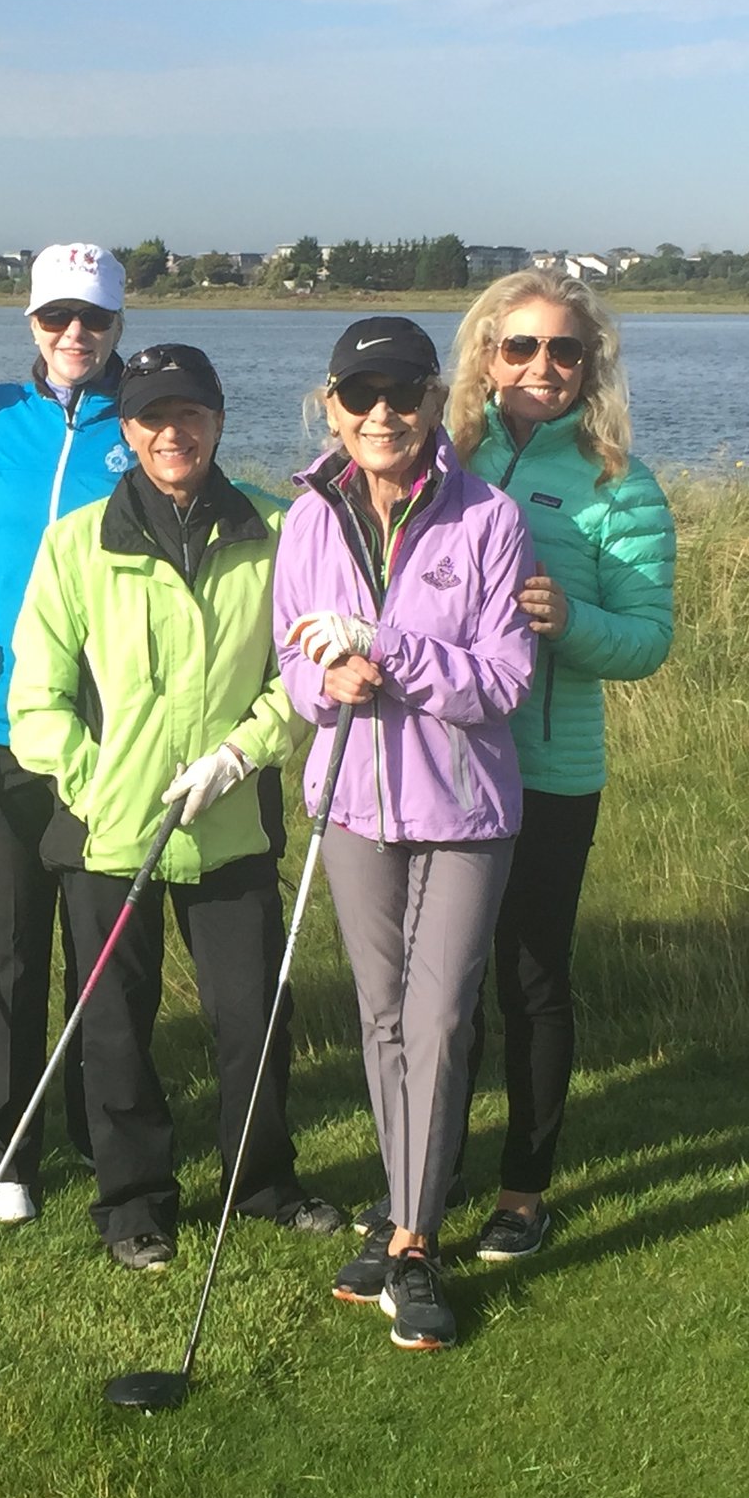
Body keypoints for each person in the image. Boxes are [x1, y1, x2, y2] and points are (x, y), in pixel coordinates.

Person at [10, 342, 346, 1272]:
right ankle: (134, 1201)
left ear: (218, 421)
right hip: (109, 829)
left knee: (253, 1013)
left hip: (231, 820)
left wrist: (243, 753)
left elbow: (300, 678)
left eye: (189, 414)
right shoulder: (78, 541)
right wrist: (93, 783)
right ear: (127, 429)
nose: (172, 432)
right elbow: (36, 701)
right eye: (153, 416)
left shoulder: (277, 531)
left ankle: (262, 1181)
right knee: (115, 1023)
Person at [273, 317, 534, 1349]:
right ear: (332, 405)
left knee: (438, 1019)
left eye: (402, 393)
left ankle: (415, 1243)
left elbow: (502, 681)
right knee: (381, 1017)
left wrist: (387, 649)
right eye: (359, 394)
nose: (381, 413)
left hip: (463, 811)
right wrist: (328, 681)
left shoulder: (488, 518)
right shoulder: (308, 518)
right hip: (351, 805)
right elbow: (292, 664)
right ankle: (401, 1214)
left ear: (432, 400)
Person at [447, 269, 677, 1260]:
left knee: (531, 978)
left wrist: (570, 619)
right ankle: (424, 1178)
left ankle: (522, 1191)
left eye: (565, 349)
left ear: (591, 364)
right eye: (522, 346)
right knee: (440, 984)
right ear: (486, 355)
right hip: (443, 764)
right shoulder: (444, 455)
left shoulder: (620, 483)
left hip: (550, 769)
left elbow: (649, 639)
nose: (543, 366)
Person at [0, 242, 135, 1222]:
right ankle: (4, 1152)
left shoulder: (142, 417)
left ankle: (104, 1134)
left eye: (93, 318)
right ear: (30, 322)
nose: (74, 334)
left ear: (117, 325)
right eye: (57, 317)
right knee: (4, 948)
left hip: (106, 726)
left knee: (98, 949)